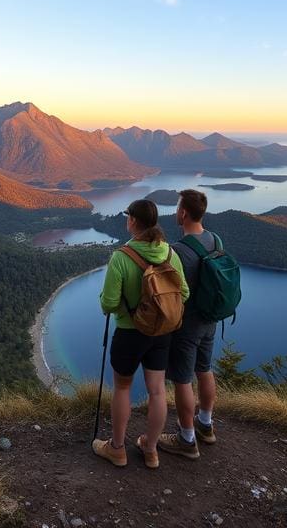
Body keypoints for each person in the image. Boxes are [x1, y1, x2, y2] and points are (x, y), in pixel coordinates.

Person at [92, 199, 188, 469]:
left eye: (128, 217)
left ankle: (117, 449)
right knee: (157, 391)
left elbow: (108, 303)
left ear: (133, 221)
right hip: (162, 334)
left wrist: (123, 305)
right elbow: (184, 295)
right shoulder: (170, 254)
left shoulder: (122, 257)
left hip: (130, 333)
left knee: (122, 387)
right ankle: (151, 449)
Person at [158, 189, 220, 459]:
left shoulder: (178, 251)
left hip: (187, 325)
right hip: (210, 319)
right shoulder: (215, 240)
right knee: (204, 369)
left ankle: (186, 439)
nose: (175, 212)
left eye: (177, 208)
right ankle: (206, 426)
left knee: (183, 380)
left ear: (183, 213)